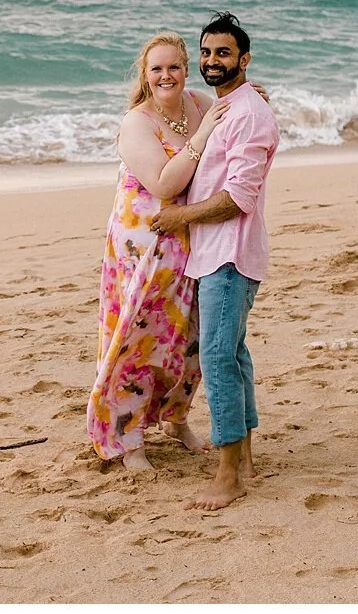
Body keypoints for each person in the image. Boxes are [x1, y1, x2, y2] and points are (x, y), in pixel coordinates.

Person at [150, 11, 279, 509]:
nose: (211, 61)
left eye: (222, 53)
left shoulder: (247, 113)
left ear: (243, 59)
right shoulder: (229, 106)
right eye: (205, 53)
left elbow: (239, 198)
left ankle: (228, 477)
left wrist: (179, 218)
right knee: (235, 354)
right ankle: (244, 458)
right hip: (217, 253)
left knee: (218, 359)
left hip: (229, 253)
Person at [86, 32, 230, 471]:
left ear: (186, 69)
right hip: (143, 243)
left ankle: (176, 418)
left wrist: (247, 95)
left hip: (190, 235)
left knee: (187, 338)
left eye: (174, 67)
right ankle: (128, 439)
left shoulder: (199, 103)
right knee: (139, 339)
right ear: (145, 75)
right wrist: (204, 133)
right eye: (157, 69)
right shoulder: (138, 122)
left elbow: (232, 127)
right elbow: (164, 184)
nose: (166, 75)